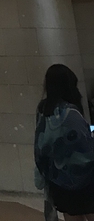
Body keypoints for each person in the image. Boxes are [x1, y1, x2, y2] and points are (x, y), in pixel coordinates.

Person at [35, 63, 94, 218]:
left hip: (58, 181)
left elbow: (40, 145)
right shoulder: (70, 113)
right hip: (83, 181)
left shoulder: (43, 110)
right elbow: (85, 149)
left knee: (71, 215)